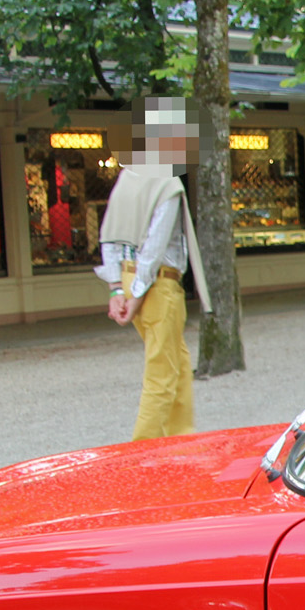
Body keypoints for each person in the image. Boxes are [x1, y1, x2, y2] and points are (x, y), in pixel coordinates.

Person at [97, 98, 204, 440]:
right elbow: (156, 249)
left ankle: (181, 438)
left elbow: (110, 238)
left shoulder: (126, 180)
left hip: (130, 278)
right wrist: (138, 296)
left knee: (178, 361)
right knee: (162, 371)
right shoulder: (167, 184)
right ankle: (144, 450)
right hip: (158, 284)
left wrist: (117, 289)